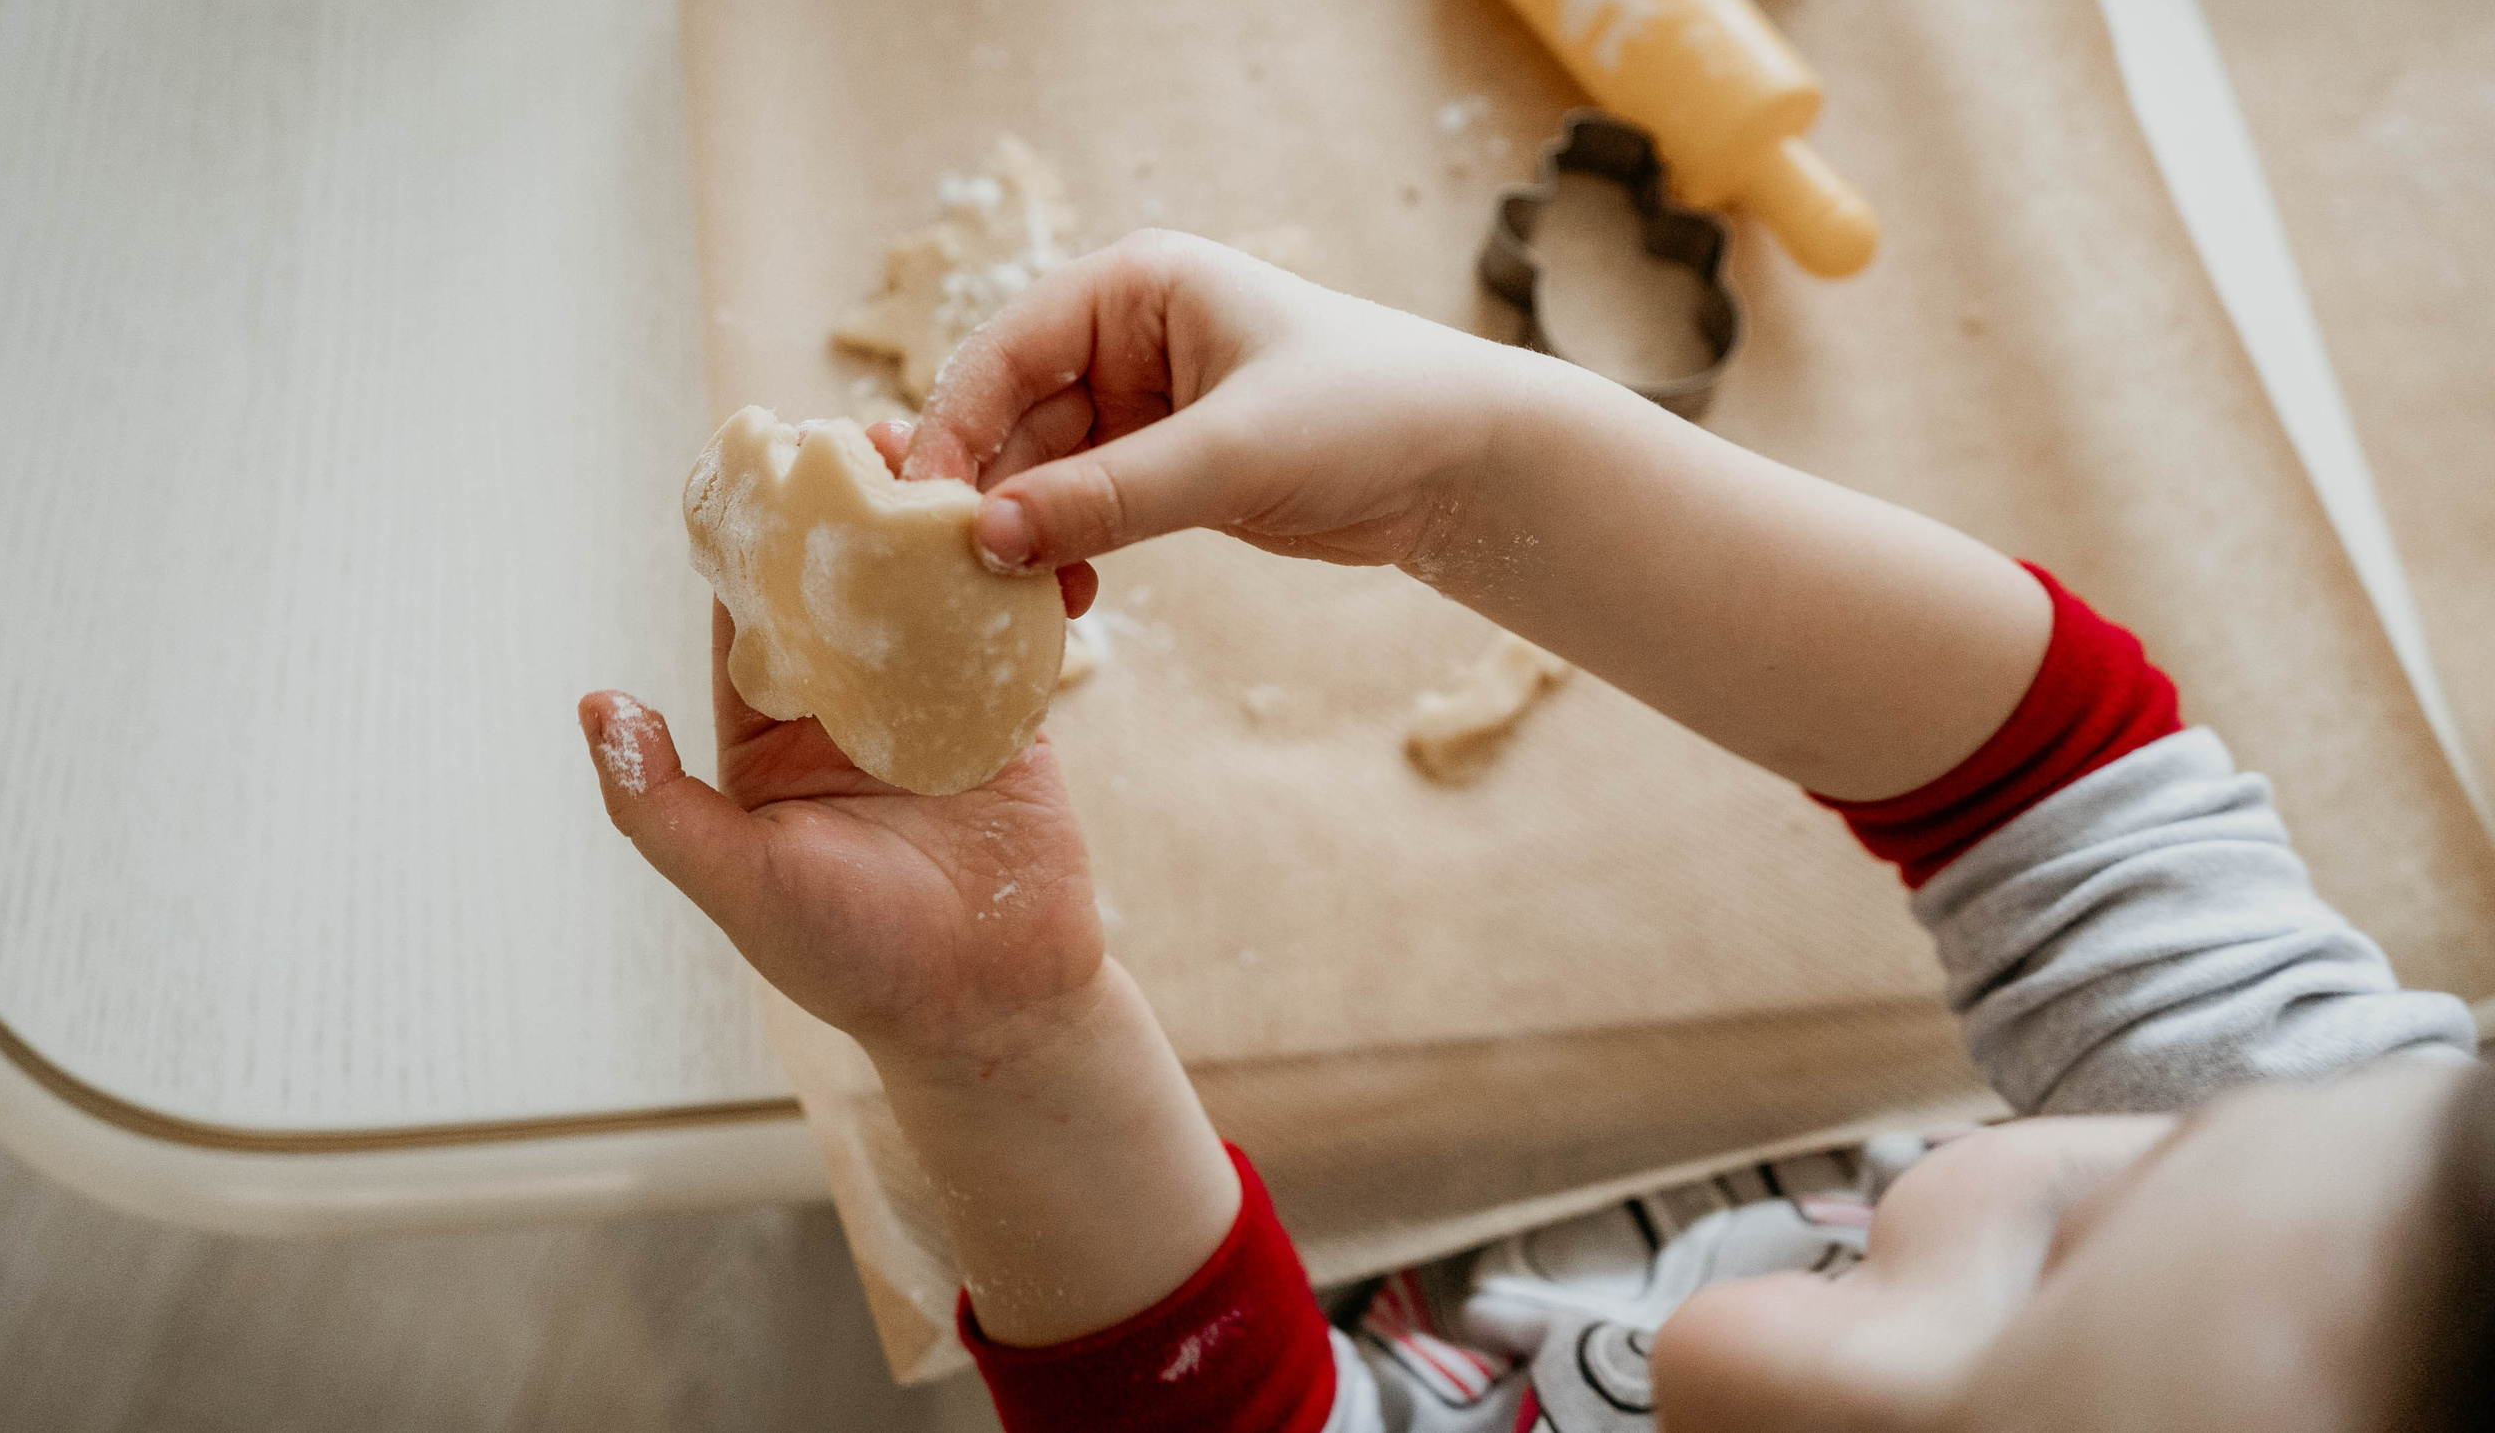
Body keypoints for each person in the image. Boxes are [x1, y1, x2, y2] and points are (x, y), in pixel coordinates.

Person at [577, 232, 2490, 1432]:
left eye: (1959, 1395)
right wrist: (1473, 461)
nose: (1954, 1191)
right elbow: (2052, 781)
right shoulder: (2369, 1202)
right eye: (2107, 1197)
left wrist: (987, 1043)